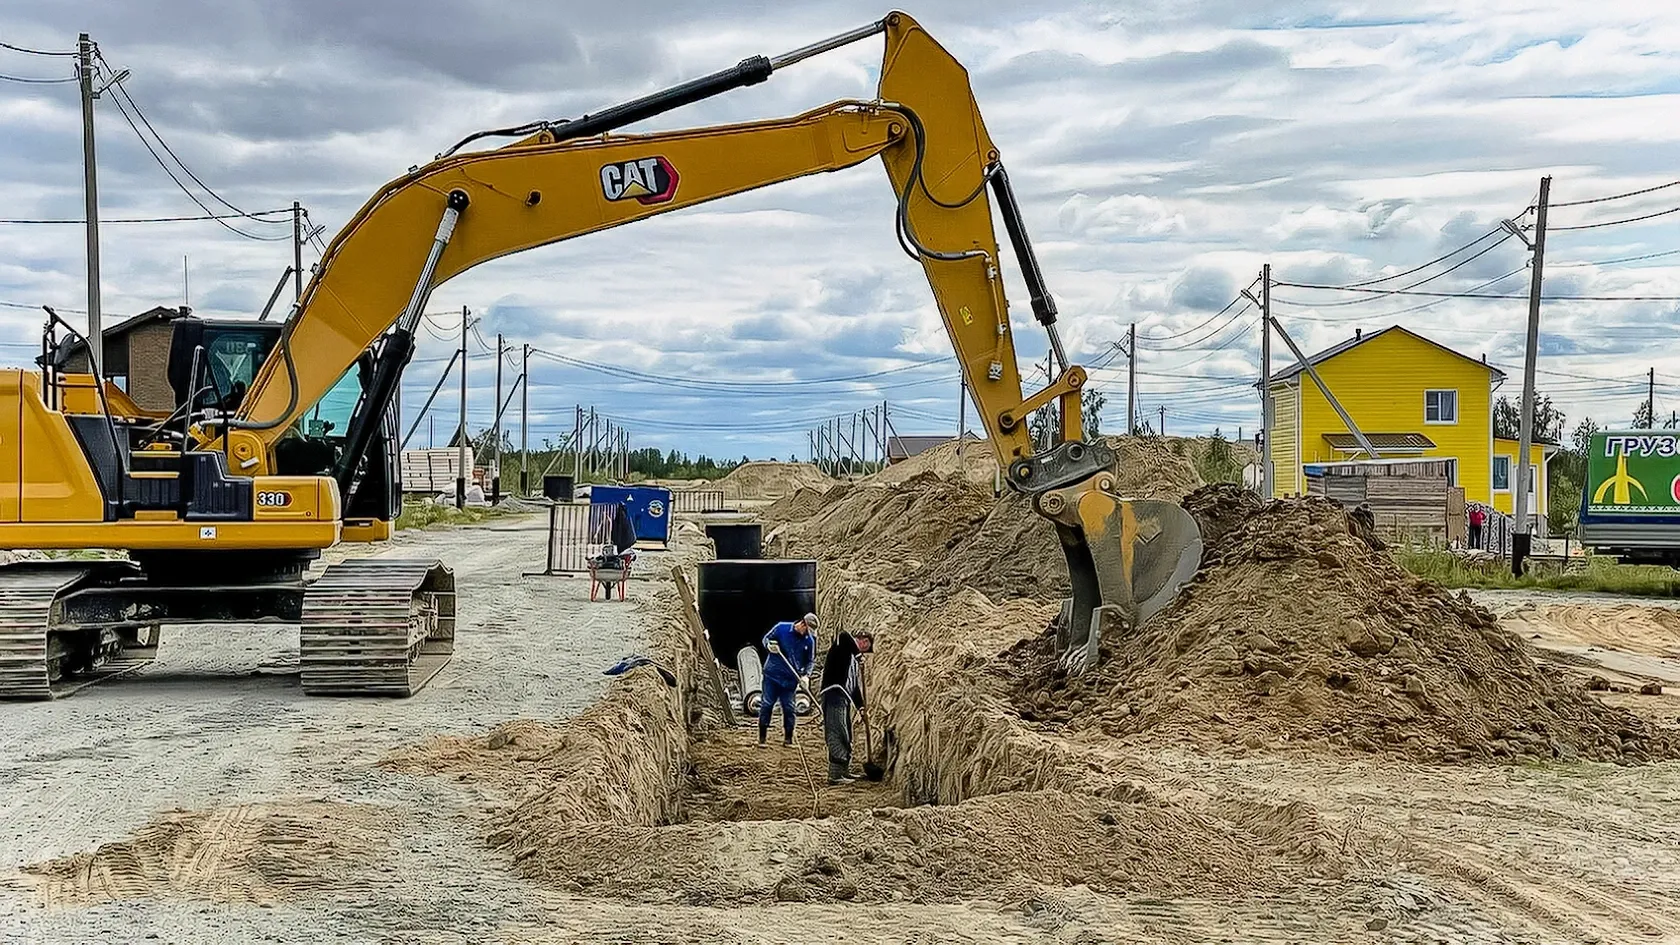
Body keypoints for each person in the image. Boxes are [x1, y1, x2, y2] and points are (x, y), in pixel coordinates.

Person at [818, 630, 873, 785]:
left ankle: (844, 771)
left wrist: (861, 707)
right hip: (834, 692)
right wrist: (857, 654)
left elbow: (854, 687)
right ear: (861, 640)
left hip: (844, 697)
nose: (866, 649)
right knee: (837, 730)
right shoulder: (842, 645)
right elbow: (843, 634)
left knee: (846, 732)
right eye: (867, 645)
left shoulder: (853, 662)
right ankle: (835, 774)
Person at [759, 612, 817, 748]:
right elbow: (765, 638)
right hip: (772, 676)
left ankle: (788, 739)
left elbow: (810, 661)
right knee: (767, 705)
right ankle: (762, 738)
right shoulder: (781, 628)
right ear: (802, 623)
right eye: (807, 630)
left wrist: (806, 676)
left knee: (789, 708)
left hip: (790, 680)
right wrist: (769, 646)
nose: (807, 634)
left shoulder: (809, 641)